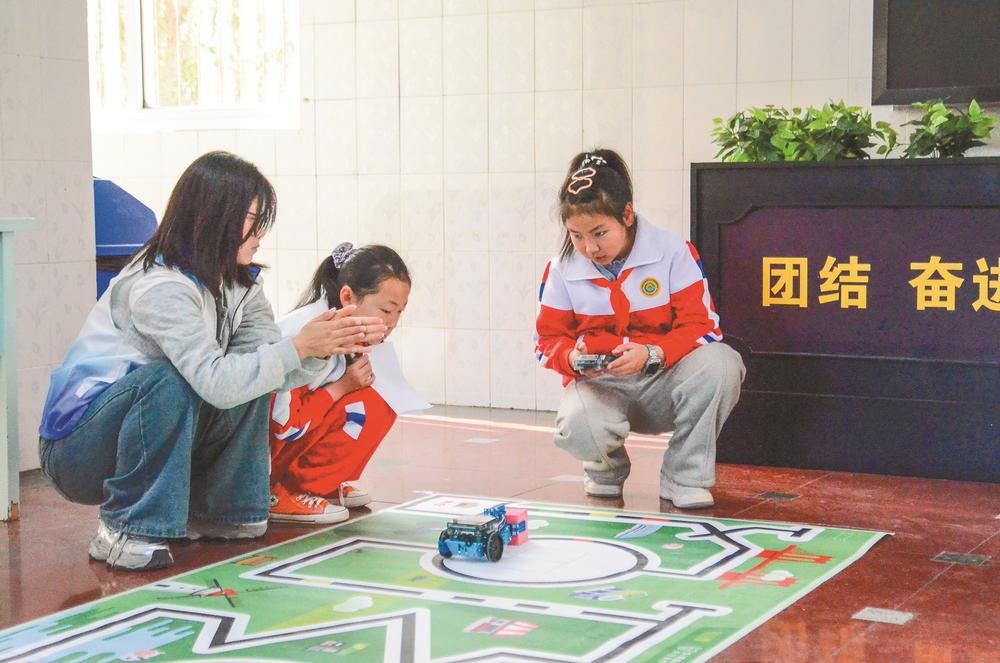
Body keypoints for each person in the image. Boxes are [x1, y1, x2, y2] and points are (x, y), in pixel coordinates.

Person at [37, 151, 387, 571]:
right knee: (170, 379)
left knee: (251, 371)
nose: (260, 233)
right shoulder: (159, 285)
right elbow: (215, 382)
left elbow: (265, 371)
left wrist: (320, 349)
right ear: (210, 217)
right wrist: (297, 346)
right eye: (252, 219)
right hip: (77, 451)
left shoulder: (241, 286)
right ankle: (125, 527)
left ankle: (219, 511)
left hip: (143, 437)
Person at [535, 149, 745, 508]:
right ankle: (605, 470)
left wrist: (653, 353)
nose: (590, 247)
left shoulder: (672, 251)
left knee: (723, 363)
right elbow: (547, 341)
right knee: (577, 423)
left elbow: (704, 326)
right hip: (602, 386)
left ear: (627, 215)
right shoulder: (561, 269)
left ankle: (684, 477)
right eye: (577, 236)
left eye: (600, 233)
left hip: (665, 380)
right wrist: (570, 357)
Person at [268, 243, 417, 524]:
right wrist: (341, 388)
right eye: (386, 310)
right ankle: (278, 490)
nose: (392, 322)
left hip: (289, 432)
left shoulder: (346, 328)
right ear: (347, 296)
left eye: (400, 312)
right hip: (263, 454)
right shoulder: (305, 335)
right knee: (364, 405)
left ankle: (318, 484)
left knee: (380, 399)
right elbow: (282, 426)